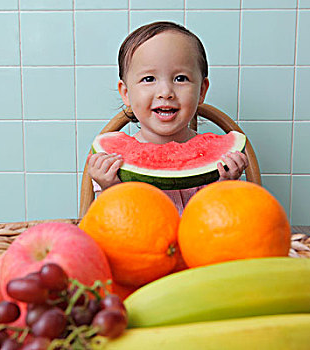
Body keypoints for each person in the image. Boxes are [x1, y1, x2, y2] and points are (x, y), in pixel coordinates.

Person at [87, 21, 248, 213]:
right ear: (126, 93)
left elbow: (223, 219)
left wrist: (225, 184)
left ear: (202, 90)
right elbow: (110, 224)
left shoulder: (221, 160)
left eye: (181, 78)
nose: (165, 92)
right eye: (149, 79)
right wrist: (109, 187)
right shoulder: (114, 161)